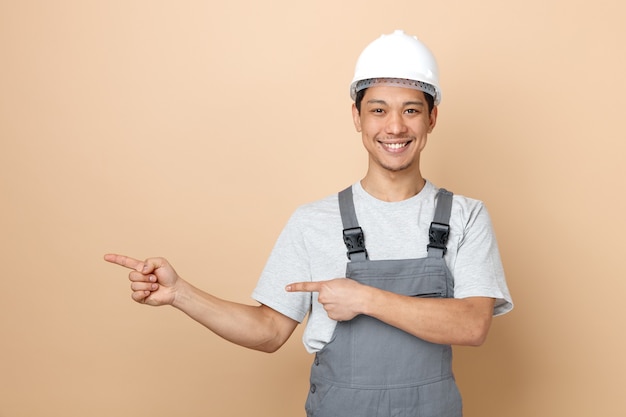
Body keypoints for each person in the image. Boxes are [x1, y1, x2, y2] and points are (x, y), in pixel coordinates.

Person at [105, 29, 513, 417]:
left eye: (411, 110)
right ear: (357, 117)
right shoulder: (313, 221)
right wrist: (180, 294)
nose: (394, 127)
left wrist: (365, 299)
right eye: (378, 110)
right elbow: (268, 331)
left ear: (432, 118)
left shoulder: (465, 215)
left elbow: (473, 323)